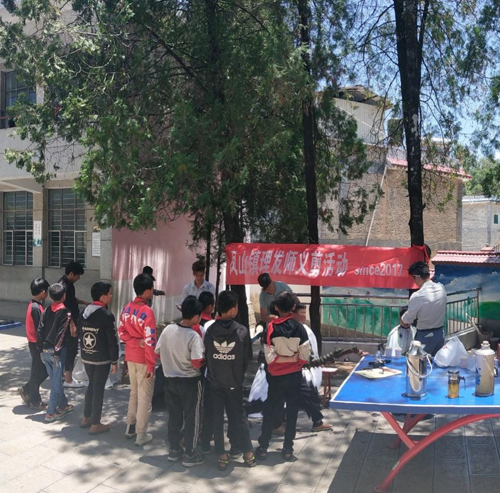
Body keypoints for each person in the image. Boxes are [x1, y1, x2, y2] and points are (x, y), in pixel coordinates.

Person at [204, 290, 256, 470]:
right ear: (233, 309)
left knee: (217, 418)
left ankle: (221, 454)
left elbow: (208, 357)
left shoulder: (210, 331)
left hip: (215, 382)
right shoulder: (242, 331)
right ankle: (247, 453)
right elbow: (246, 359)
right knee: (238, 416)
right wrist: (238, 376)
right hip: (234, 382)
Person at [256, 292, 310, 461]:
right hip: (294, 376)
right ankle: (288, 448)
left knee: (271, 410)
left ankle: (263, 447)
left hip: (276, 377)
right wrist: (293, 359)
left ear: (276, 308)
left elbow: (270, 359)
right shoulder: (300, 328)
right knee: (292, 412)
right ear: (293, 307)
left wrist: (281, 359)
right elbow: (304, 357)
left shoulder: (270, 328)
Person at [155, 296, 206, 468]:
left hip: (170, 379)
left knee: (174, 415)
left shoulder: (168, 329)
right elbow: (196, 362)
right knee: (192, 416)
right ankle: (190, 453)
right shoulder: (193, 336)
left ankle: (174, 449)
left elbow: (157, 353)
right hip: (190, 381)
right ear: (196, 317)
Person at [118, 273, 157, 446]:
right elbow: (150, 341)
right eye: (152, 289)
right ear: (147, 291)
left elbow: (120, 332)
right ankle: (141, 434)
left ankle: (130, 427)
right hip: (143, 360)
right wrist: (151, 365)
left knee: (134, 393)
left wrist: (133, 342)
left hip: (130, 357)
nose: (153, 291)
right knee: (145, 398)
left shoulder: (127, 308)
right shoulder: (147, 312)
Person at [79, 282, 119, 435]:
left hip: (87, 355)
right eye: (110, 293)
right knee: (98, 389)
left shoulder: (84, 312)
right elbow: (112, 340)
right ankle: (95, 424)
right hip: (101, 358)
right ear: (103, 297)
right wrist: (114, 361)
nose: (111, 296)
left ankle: (86, 417)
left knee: (91, 385)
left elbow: (80, 332)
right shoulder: (106, 315)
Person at [37, 283, 75, 422]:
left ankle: (63, 405)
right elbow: (61, 333)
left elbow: (40, 330)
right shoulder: (66, 312)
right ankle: (51, 413)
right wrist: (57, 352)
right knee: (56, 383)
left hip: (45, 350)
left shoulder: (47, 310)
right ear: (64, 296)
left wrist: (40, 349)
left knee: (55, 379)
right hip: (56, 352)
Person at [400, 261, 447, 356]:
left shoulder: (418, 296)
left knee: (418, 363)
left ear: (417, 277)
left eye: (413, 278)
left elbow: (407, 321)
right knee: (436, 363)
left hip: (424, 336)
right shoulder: (441, 288)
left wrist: (402, 318)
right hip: (440, 334)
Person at [18, 278, 50, 410]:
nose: (47, 294)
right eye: (47, 291)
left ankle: (27, 390)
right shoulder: (36, 308)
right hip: (36, 344)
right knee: (39, 371)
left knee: (41, 370)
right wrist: (43, 345)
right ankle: (34, 401)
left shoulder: (34, 305)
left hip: (34, 343)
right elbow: (39, 329)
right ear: (43, 292)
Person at [59, 261, 89, 388]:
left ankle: (63, 374)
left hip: (70, 321)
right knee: (71, 349)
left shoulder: (68, 284)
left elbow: (71, 299)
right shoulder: (63, 286)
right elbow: (64, 307)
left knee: (68, 349)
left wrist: (83, 302)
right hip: (68, 323)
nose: (78, 278)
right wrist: (72, 323)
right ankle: (68, 380)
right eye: (78, 276)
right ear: (71, 274)